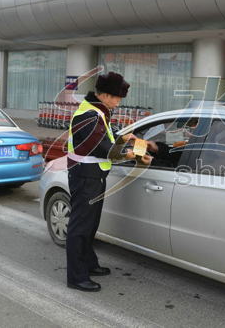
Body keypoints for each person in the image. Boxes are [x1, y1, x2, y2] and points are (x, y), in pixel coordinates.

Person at [66, 71, 151, 292]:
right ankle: (76, 276)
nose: (118, 103)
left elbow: (108, 137)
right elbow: (105, 149)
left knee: (90, 225)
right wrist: (132, 155)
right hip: (85, 177)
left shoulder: (99, 112)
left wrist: (125, 138)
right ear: (104, 95)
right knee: (80, 227)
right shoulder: (88, 115)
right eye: (116, 98)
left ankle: (89, 264)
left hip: (94, 176)